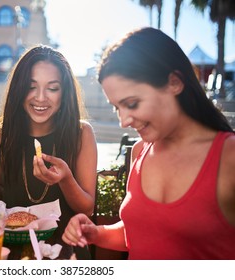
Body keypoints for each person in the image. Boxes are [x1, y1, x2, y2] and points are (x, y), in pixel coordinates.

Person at [62, 27, 235, 260]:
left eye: (131, 103)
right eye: (117, 108)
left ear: (174, 82)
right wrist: (95, 233)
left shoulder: (228, 157)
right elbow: (139, 233)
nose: (123, 121)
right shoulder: (139, 152)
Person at [0, 45, 98, 259]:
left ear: (65, 93)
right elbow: (2, 197)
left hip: (65, 248)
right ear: (19, 89)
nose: (41, 97)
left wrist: (65, 179)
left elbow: (87, 209)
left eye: (52, 88)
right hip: (12, 248)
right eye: (31, 86)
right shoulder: (3, 133)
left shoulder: (81, 133)